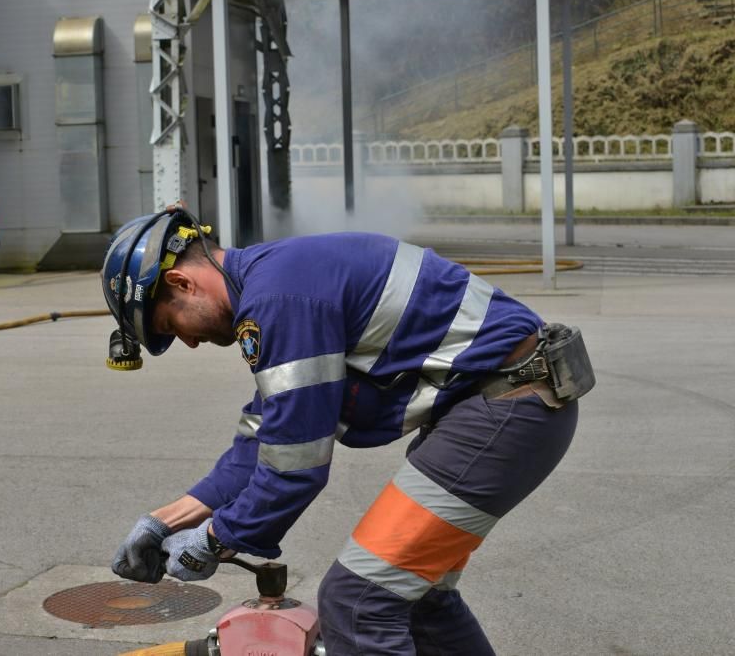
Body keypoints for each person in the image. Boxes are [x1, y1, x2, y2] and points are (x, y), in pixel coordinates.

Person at [102, 206, 594, 655]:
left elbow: (294, 467)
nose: (187, 342)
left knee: (358, 599)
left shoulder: (278, 300)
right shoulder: (277, 280)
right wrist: (167, 521)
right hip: (507, 404)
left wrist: (215, 537)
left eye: (171, 326)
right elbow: (264, 435)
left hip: (504, 409)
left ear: (181, 282)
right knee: (415, 595)